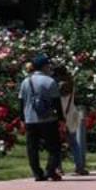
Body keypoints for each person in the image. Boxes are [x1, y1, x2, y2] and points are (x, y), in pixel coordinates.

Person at [17, 54, 64, 182]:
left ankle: (37, 173)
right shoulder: (50, 81)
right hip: (48, 119)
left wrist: (22, 119)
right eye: (48, 65)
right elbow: (56, 103)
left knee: (32, 148)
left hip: (30, 119)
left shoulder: (25, 81)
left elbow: (21, 102)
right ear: (44, 66)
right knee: (54, 147)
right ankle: (50, 170)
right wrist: (61, 119)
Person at [52, 63, 88, 176]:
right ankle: (79, 166)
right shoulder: (71, 84)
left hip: (58, 117)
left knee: (56, 144)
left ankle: (58, 168)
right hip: (70, 115)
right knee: (73, 143)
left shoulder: (56, 86)